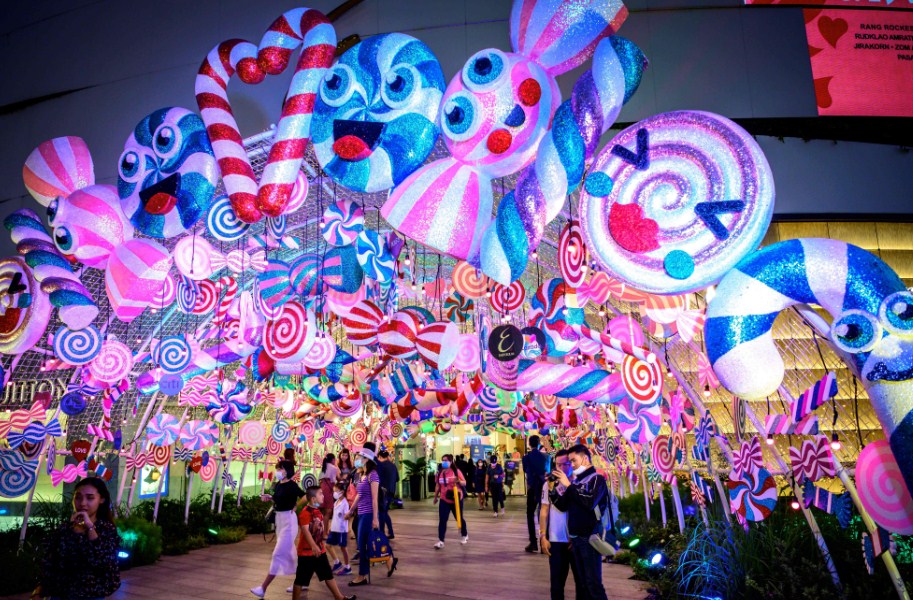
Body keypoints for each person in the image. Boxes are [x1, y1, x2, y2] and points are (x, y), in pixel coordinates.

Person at [33, 477, 121, 600]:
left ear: (101, 499)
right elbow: (50, 560)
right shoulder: (65, 528)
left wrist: (90, 527)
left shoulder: (105, 528)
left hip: (90, 595)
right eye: (78, 497)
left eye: (90, 498)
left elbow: (102, 562)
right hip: (60, 594)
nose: (82, 503)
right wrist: (39, 590)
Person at [552, 444, 611, 600]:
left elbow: (589, 502)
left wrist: (568, 485)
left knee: (593, 583)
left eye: (573, 460)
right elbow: (563, 506)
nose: (571, 465)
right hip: (576, 538)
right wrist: (554, 489)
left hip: (590, 537)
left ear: (585, 459)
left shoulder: (597, 479)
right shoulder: (577, 481)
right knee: (582, 583)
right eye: (569, 461)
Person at [292, 485, 356, 600]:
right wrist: (313, 546)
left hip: (319, 550)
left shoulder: (317, 511)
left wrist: (325, 533)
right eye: (320, 494)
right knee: (300, 580)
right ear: (313, 499)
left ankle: (339, 597)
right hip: (306, 553)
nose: (323, 496)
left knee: (328, 574)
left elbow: (319, 528)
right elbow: (305, 531)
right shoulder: (305, 513)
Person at [251, 460, 304, 598]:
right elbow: (278, 499)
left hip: (289, 522)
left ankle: (263, 588)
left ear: (287, 470)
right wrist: (269, 498)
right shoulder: (278, 484)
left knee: (277, 554)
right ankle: (303, 580)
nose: (278, 471)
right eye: (277, 469)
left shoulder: (292, 485)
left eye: (280, 469)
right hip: (280, 521)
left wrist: (296, 505)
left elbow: (305, 496)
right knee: (290, 555)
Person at [347, 442, 397, 586]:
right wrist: (351, 510)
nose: (356, 459)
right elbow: (359, 495)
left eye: (359, 457)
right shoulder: (362, 474)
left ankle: (362, 576)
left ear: (366, 459)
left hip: (369, 514)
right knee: (369, 542)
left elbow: (374, 499)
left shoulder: (373, 475)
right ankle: (389, 560)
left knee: (363, 544)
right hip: (361, 513)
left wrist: (375, 518)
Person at [540, 450, 586, 600]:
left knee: (582, 582)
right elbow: (544, 510)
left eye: (565, 464)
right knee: (556, 584)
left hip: (576, 539)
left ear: (571, 463)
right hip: (556, 539)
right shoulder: (549, 484)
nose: (561, 468)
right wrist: (542, 535)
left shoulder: (579, 483)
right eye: (558, 465)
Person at [433, 453, 468, 549]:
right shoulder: (439, 473)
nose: (444, 462)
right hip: (444, 499)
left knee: (459, 518)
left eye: (446, 460)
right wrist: (435, 497)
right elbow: (437, 486)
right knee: (442, 520)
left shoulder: (456, 471)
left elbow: (464, 483)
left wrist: (459, 481)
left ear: (451, 461)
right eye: (443, 460)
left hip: (456, 499)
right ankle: (441, 541)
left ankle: (464, 535)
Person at [522, 435, 548, 553]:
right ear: (538, 443)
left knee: (530, 514)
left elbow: (525, 470)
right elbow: (547, 471)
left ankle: (533, 542)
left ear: (529, 444)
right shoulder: (545, 457)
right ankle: (544, 542)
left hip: (532, 488)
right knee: (543, 512)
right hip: (543, 487)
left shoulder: (526, 457)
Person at [327, 481, 352, 576]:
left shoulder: (345, 504)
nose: (334, 493)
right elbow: (334, 516)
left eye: (336, 491)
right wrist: (330, 526)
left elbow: (347, 516)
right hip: (334, 528)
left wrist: (347, 518)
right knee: (328, 545)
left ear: (342, 492)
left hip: (341, 530)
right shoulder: (336, 502)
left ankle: (347, 567)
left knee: (343, 548)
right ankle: (337, 562)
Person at [376, 449, 399, 539]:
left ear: (379, 457)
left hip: (382, 493)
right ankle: (391, 532)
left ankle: (382, 533)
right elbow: (397, 479)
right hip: (391, 492)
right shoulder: (393, 466)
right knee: (384, 512)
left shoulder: (380, 466)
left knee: (382, 513)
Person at [319, 453, 340, 524]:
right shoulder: (333, 468)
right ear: (333, 460)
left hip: (321, 489)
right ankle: (325, 529)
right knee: (328, 511)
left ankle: (322, 528)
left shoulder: (324, 466)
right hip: (328, 490)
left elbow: (320, 479)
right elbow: (333, 481)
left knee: (322, 511)